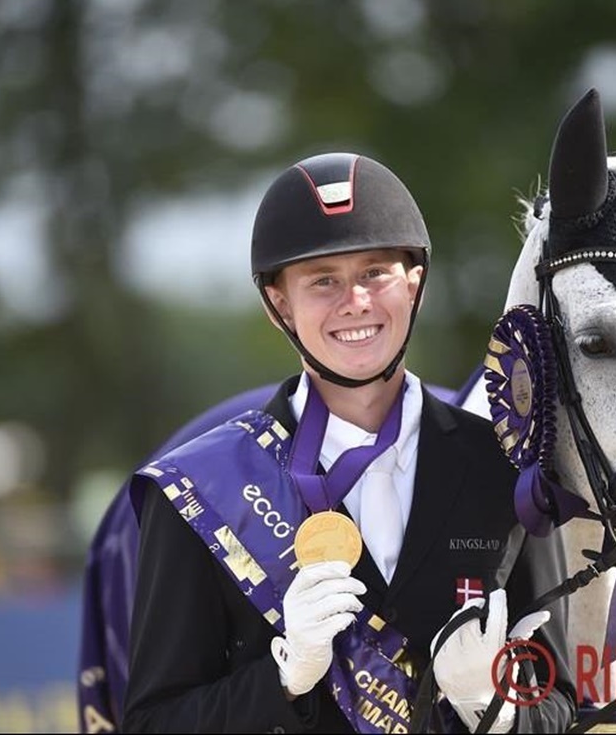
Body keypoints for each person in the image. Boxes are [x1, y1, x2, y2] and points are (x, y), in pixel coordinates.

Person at [121, 153, 576, 733]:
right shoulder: (200, 488)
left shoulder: (504, 466)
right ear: (279, 305)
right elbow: (154, 723)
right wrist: (283, 681)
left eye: (375, 272)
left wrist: (493, 705)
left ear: (414, 283)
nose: (355, 300)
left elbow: (558, 701)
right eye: (323, 281)